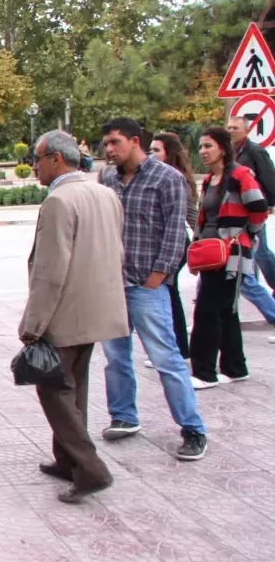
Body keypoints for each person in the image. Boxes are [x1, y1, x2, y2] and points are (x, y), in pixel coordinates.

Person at [20, 131, 129, 503]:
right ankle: (67, 460)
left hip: (66, 312)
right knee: (75, 386)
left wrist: (33, 326)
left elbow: (50, 272)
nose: (35, 165)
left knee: (53, 390)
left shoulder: (59, 201)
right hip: (99, 308)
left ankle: (90, 468)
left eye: (38, 158)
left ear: (56, 159)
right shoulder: (105, 193)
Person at [98, 117, 207, 461]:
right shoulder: (108, 179)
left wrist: (157, 277)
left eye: (115, 142)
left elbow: (176, 233)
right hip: (112, 286)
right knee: (115, 358)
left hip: (147, 285)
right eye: (106, 143)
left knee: (166, 359)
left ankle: (192, 428)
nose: (109, 149)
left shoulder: (168, 178)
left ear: (134, 141)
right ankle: (124, 416)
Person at [188, 127, 269, 389]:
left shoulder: (240, 175)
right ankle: (235, 368)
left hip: (232, 254)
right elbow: (205, 217)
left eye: (208, 146)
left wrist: (245, 236)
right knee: (226, 310)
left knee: (207, 311)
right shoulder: (211, 179)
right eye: (200, 146)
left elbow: (259, 209)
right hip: (210, 253)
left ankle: (204, 373)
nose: (202, 151)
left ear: (222, 148)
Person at [146, 132, 198, 362]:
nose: (152, 155)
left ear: (169, 153)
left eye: (157, 150)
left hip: (176, 244)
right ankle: (177, 348)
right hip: (163, 243)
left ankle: (178, 349)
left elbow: (191, 214)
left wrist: (200, 242)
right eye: (151, 150)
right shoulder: (158, 177)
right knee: (167, 294)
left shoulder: (176, 179)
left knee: (167, 293)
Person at [225, 116, 275, 345]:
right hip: (238, 216)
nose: (231, 131)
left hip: (253, 213)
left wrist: (268, 205)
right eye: (229, 127)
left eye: (235, 127)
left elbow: (270, 179)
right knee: (258, 259)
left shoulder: (254, 151)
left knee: (252, 265)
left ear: (247, 130)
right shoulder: (232, 152)